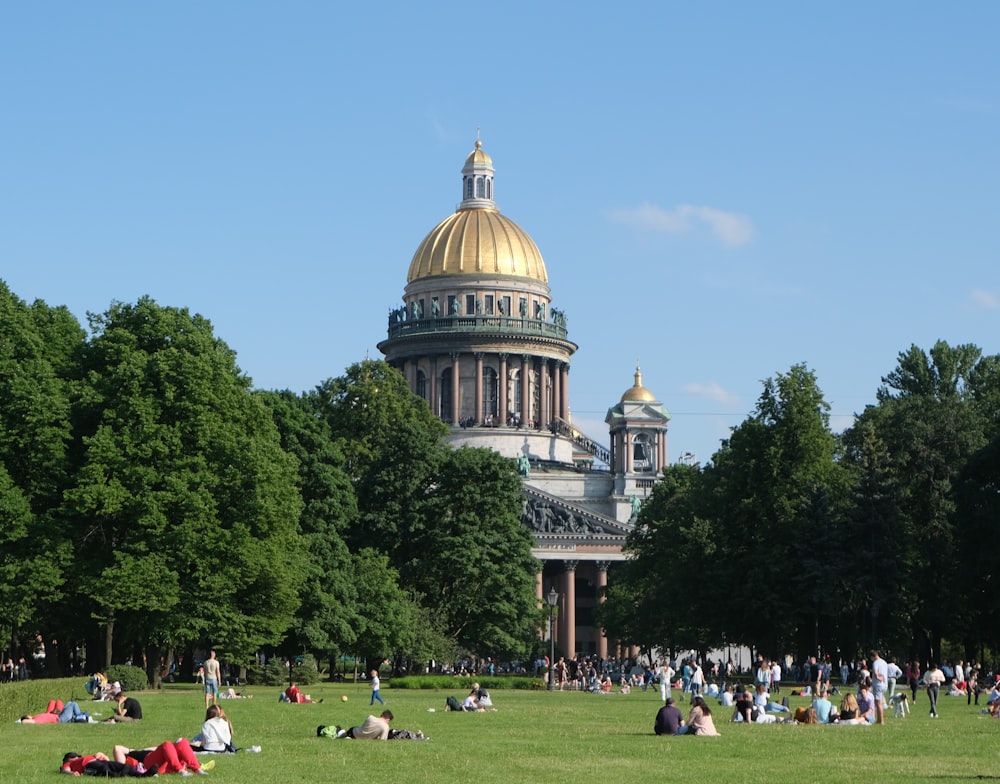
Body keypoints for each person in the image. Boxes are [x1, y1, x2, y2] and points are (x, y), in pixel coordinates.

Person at [113, 739, 214, 775]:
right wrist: (122, 766)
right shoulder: (132, 753)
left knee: (182, 741)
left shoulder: (151, 750)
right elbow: (117, 748)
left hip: (166, 760)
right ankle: (180, 770)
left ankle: (198, 769)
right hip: (150, 764)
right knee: (167, 744)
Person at [61, 752, 154, 778]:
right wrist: (72, 773)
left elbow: (104, 756)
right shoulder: (69, 763)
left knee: (121, 765)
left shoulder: (85, 757)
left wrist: (101, 754)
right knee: (102, 769)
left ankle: (142, 775)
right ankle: (116, 775)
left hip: (99, 761)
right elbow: (65, 770)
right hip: (87, 766)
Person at [21, 700, 92, 724]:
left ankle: (77, 716)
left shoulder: (36, 717)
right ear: (28, 718)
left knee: (69, 703)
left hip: (59, 716)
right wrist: (26, 720)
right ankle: (80, 717)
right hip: (59, 719)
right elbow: (24, 722)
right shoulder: (35, 720)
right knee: (73, 704)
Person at [870, 650, 888, 724]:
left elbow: (875, 672)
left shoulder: (875, 663)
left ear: (872, 656)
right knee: (880, 702)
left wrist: (878, 677)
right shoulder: (884, 662)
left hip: (878, 685)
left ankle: (880, 720)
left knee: (878, 703)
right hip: (884, 685)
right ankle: (879, 719)